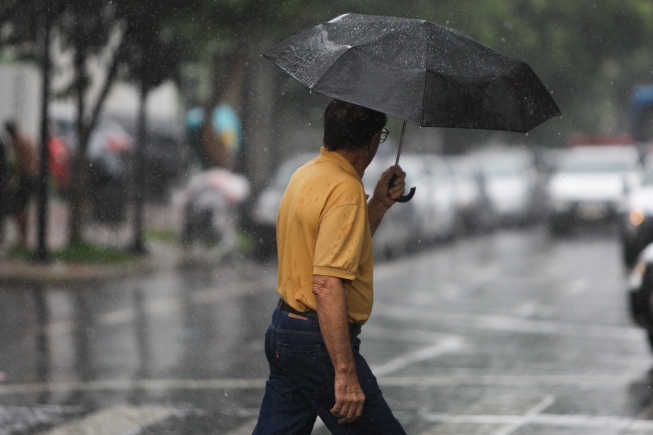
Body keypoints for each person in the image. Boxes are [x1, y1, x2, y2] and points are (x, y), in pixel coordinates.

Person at [254, 100, 407, 434]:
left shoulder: (306, 174)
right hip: (316, 342)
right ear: (369, 142)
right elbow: (325, 283)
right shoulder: (345, 189)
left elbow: (338, 250)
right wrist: (345, 373)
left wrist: (378, 204)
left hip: (285, 328)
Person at [5, 121, 38, 247]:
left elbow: (20, 164)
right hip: (30, 177)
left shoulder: (19, 142)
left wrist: (11, 178)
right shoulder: (25, 139)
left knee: (19, 208)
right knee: (22, 207)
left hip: (26, 178)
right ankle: (23, 237)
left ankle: (23, 238)